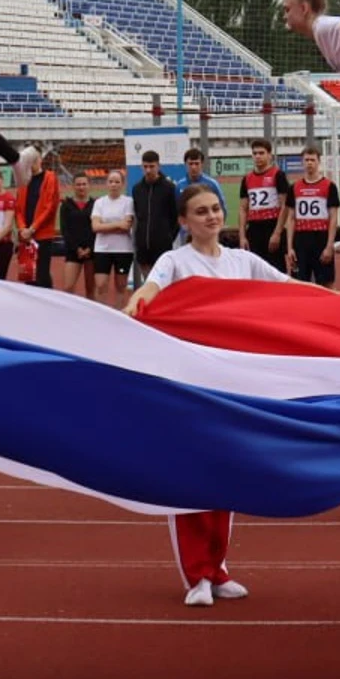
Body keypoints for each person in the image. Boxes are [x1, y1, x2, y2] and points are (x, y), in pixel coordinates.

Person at [127, 183, 298, 606]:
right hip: (188, 385)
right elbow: (151, 288)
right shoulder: (175, 261)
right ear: (184, 222)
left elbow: (291, 290)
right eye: (201, 212)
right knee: (188, 478)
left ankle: (218, 568)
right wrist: (137, 301)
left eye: (216, 209)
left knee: (226, 475)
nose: (212, 216)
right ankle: (196, 575)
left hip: (233, 384)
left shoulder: (243, 261)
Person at [286, 146, 340, 289]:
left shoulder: (329, 186)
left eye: (312, 160)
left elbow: (333, 218)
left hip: (321, 238)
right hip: (301, 240)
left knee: (326, 283)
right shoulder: (294, 187)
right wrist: (290, 247)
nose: (309, 163)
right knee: (300, 283)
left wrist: (329, 246)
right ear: (302, 162)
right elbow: (291, 218)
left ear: (318, 162)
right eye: (306, 160)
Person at [237, 139, 290, 272]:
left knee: (276, 269)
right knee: (255, 270)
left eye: (261, 153)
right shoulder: (247, 179)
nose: (258, 156)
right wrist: (242, 236)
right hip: (254, 229)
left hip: (272, 226)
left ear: (269, 155)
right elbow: (243, 208)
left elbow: (285, 205)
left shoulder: (278, 175)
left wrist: (277, 233)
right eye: (255, 153)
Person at [16, 150, 65, 288]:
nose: (31, 164)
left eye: (34, 160)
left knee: (42, 274)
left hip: (42, 234)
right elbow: (18, 208)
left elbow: (49, 207)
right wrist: (22, 228)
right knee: (28, 273)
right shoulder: (23, 180)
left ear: (39, 160)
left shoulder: (50, 178)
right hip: (26, 235)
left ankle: (47, 301)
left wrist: (32, 228)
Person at [130, 151, 180, 286]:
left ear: (159, 166)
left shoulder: (169, 188)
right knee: (148, 284)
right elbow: (137, 214)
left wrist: (168, 236)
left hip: (162, 246)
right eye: (145, 166)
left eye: (151, 166)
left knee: (163, 284)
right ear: (141, 167)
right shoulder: (137, 189)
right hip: (142, 246)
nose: (148, 170)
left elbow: (175, 216)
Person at [90, 171, 135, 305]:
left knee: (121, 286)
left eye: (117, 182)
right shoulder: (99, 202)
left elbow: (126, 226)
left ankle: (120, 313)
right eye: (111, 182)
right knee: (100, 284)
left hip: (123, 250)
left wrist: (106, 226)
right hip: (102, 249)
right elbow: (96, 227)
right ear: (106, 184)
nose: (113, 185)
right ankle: (101, 314)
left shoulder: (128, 202)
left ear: (122, 184)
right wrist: (118, 225)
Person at [59, 173, 96, 296]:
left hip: (92, 251)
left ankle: (92, 314)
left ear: (89, 186)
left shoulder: (95, 204)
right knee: (68, 287)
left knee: (91, 288)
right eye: (78, 184)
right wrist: (77, 249)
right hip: (73, 250)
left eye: (84, 184)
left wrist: (90, 248)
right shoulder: (66, 205)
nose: (81, 187)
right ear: (73, 186)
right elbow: (65, 230)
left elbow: (97, 229)